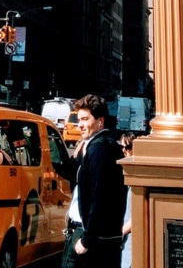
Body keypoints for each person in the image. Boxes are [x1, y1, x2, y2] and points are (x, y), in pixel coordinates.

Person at [63, 94, 126, 268]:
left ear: (100, 121)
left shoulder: (99, 148)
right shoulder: (98, 145)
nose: (80, 125)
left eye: (85, 119)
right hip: (94, 234)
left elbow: (100, 197)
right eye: (79, 119)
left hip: (89, 236)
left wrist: (86, 240)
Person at [119, 132, 136, 268]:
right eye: (122, 147)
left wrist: (121, 231)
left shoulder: (137, 176)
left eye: (128, 147)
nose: (124, 150)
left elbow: (137, 214)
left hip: (131, 239)